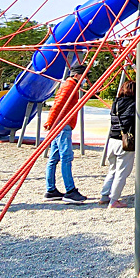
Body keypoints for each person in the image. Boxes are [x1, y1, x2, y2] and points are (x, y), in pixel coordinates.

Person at [44, 63, 89, 204]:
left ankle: (50, 189)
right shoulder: (70, 86)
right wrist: (50, 122)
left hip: (61, 123)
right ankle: (70, 190)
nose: (85, 79)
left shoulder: (69, 85)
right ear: (76, 75)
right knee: (66, 157)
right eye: (84, 76)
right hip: (63, 124)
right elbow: (58, 104)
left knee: (54, 156)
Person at [99, 76, 139, 208]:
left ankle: (104, 195)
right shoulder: (134, 105)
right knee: (122, 172)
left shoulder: (116, 103)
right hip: (125, 141)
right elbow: (132, 121)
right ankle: (114, 200)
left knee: (112, 169)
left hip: (112, 139)